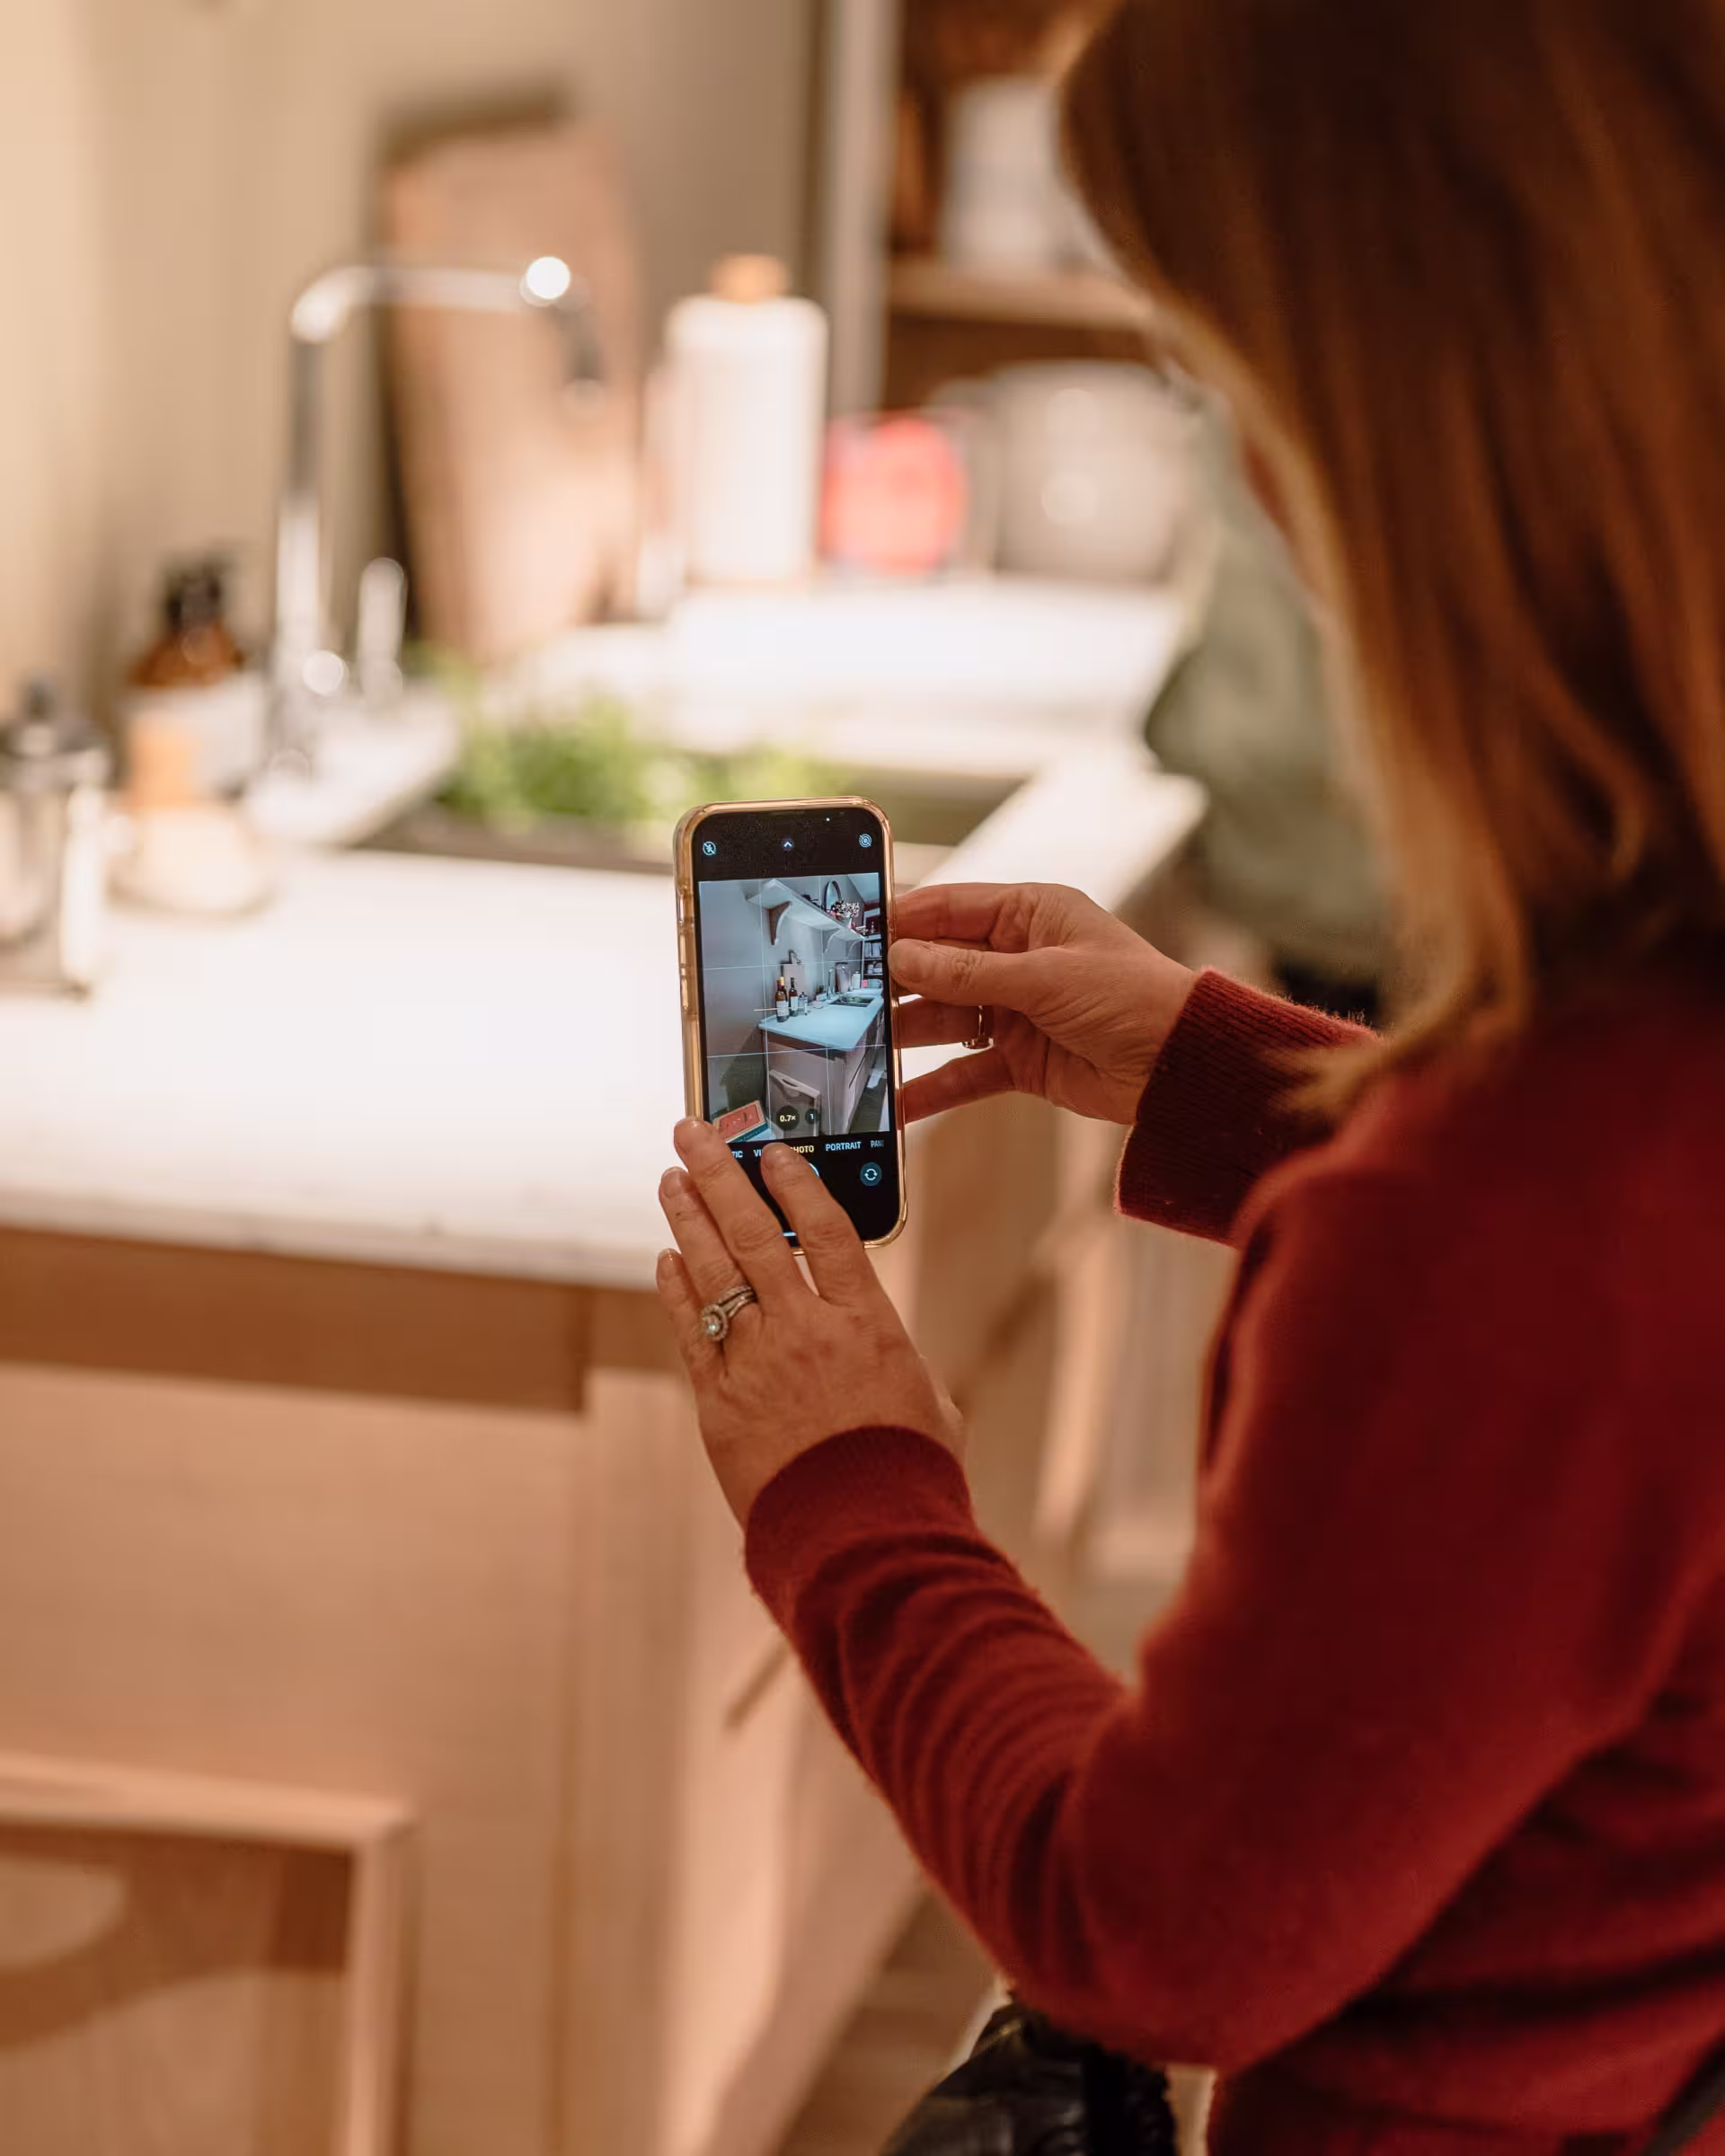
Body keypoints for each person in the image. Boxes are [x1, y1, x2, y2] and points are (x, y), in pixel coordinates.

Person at [656, 3, 1725, 2148]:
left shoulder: (1501, 1224)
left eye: (1241, 387)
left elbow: (1156, 1931)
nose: (1244, 475)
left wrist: (851, 1482)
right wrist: (1240, 1088)